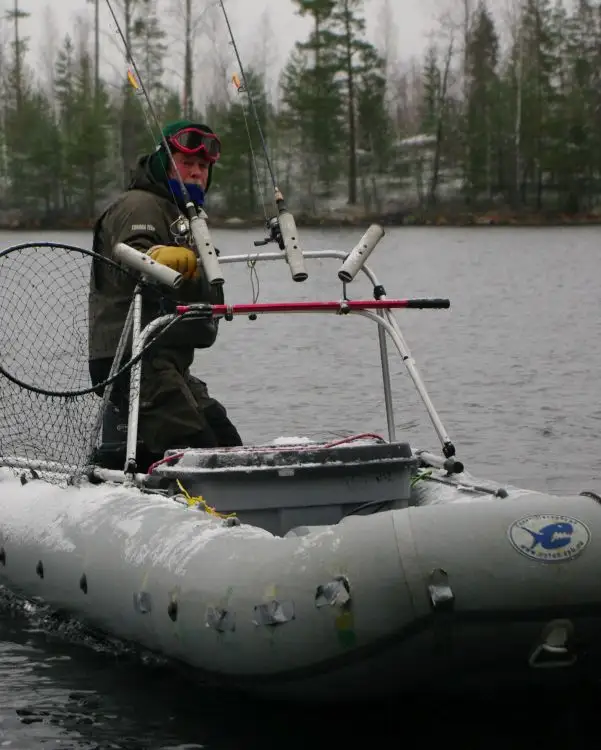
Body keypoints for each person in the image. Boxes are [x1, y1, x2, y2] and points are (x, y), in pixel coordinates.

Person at [88, 119, 242, 470]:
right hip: (131, 358)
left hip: (167, 359)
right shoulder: (140, 206)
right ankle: (201, 506)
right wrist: (159, 257)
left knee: (224, 437)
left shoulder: (184, 215)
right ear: (163, 163)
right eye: (186, 163)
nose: (196, 172)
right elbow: (132, 256)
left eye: (203, 166)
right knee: (197, 447)